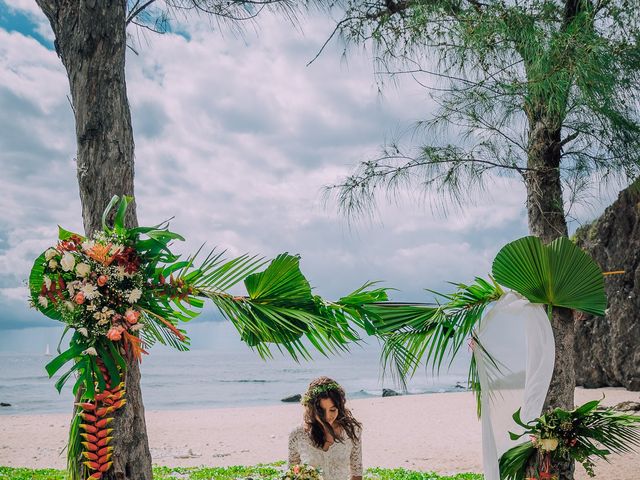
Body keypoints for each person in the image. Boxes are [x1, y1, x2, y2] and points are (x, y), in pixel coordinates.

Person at [288, 377, 362, 480]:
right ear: (312, 409)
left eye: (332, 410)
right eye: (321, 411)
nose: (327, 417)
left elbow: (357, 474)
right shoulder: (297, 435)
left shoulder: (352, 431)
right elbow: (291, 474)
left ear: (339, 408)